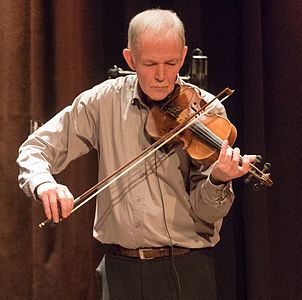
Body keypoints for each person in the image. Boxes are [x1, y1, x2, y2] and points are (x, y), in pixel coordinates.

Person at [17, 8, 255, 300]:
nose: (161, 75)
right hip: (121, 273)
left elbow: (207, 213)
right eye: (150, 63)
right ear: (130, 59)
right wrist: (45, 183)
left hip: (187, 269)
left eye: (171, 63)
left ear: (183, 56)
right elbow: (35, 148)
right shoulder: (103, 101)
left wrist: (218, 180)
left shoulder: (206, 111)